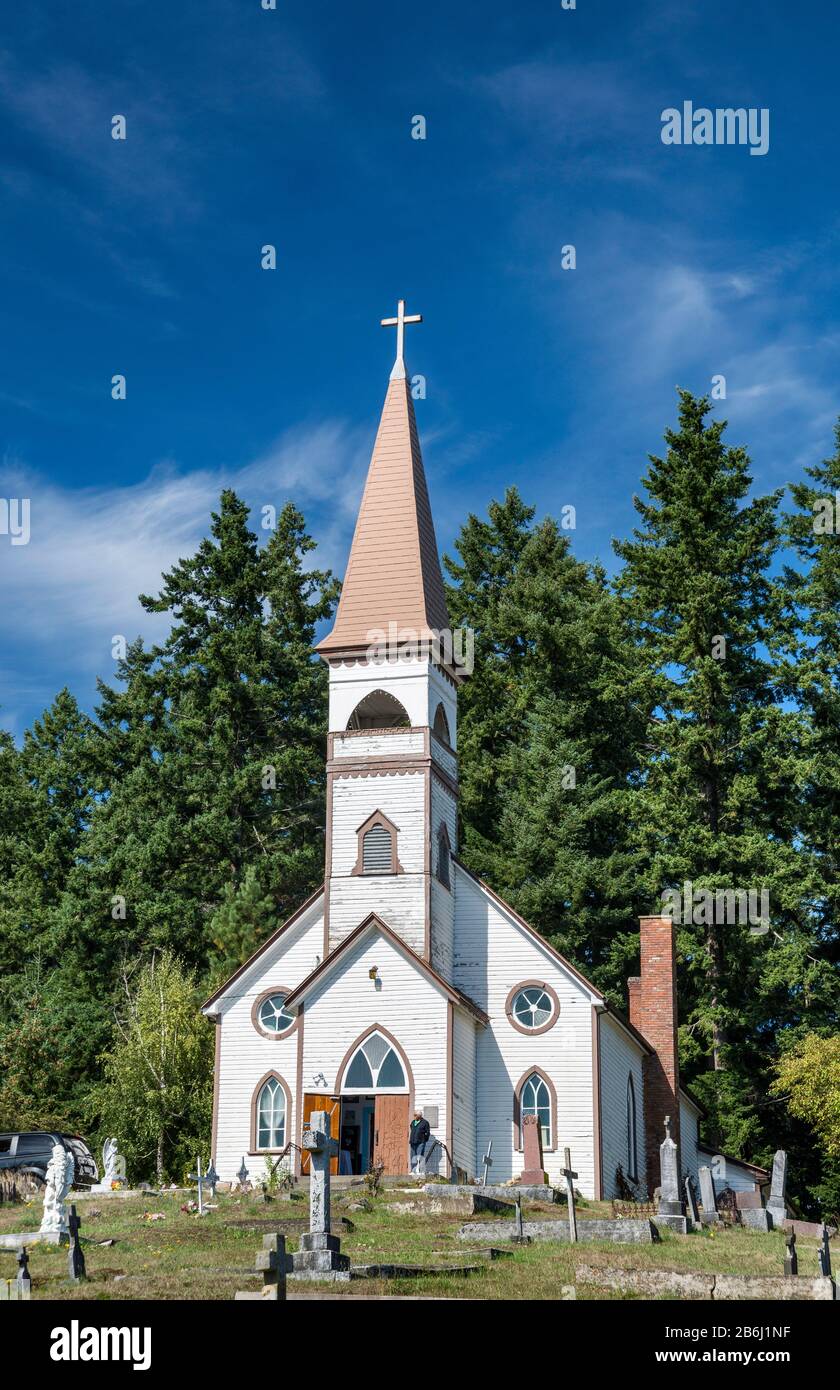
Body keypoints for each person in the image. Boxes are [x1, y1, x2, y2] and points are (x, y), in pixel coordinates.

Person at [409, 1109, 431, 1174]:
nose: (414, 1116)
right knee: (413, 1156)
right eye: (414, 1115)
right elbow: (412, 1128)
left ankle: (421, 1171)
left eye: (415, 1115)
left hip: (421, 1142)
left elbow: (427, 1132)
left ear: (419, 1116)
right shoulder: (413, 1122)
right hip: (413, 1142)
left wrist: (424, 1139)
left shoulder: (425, 1123)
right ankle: (413, 1171)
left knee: (420, 1156)